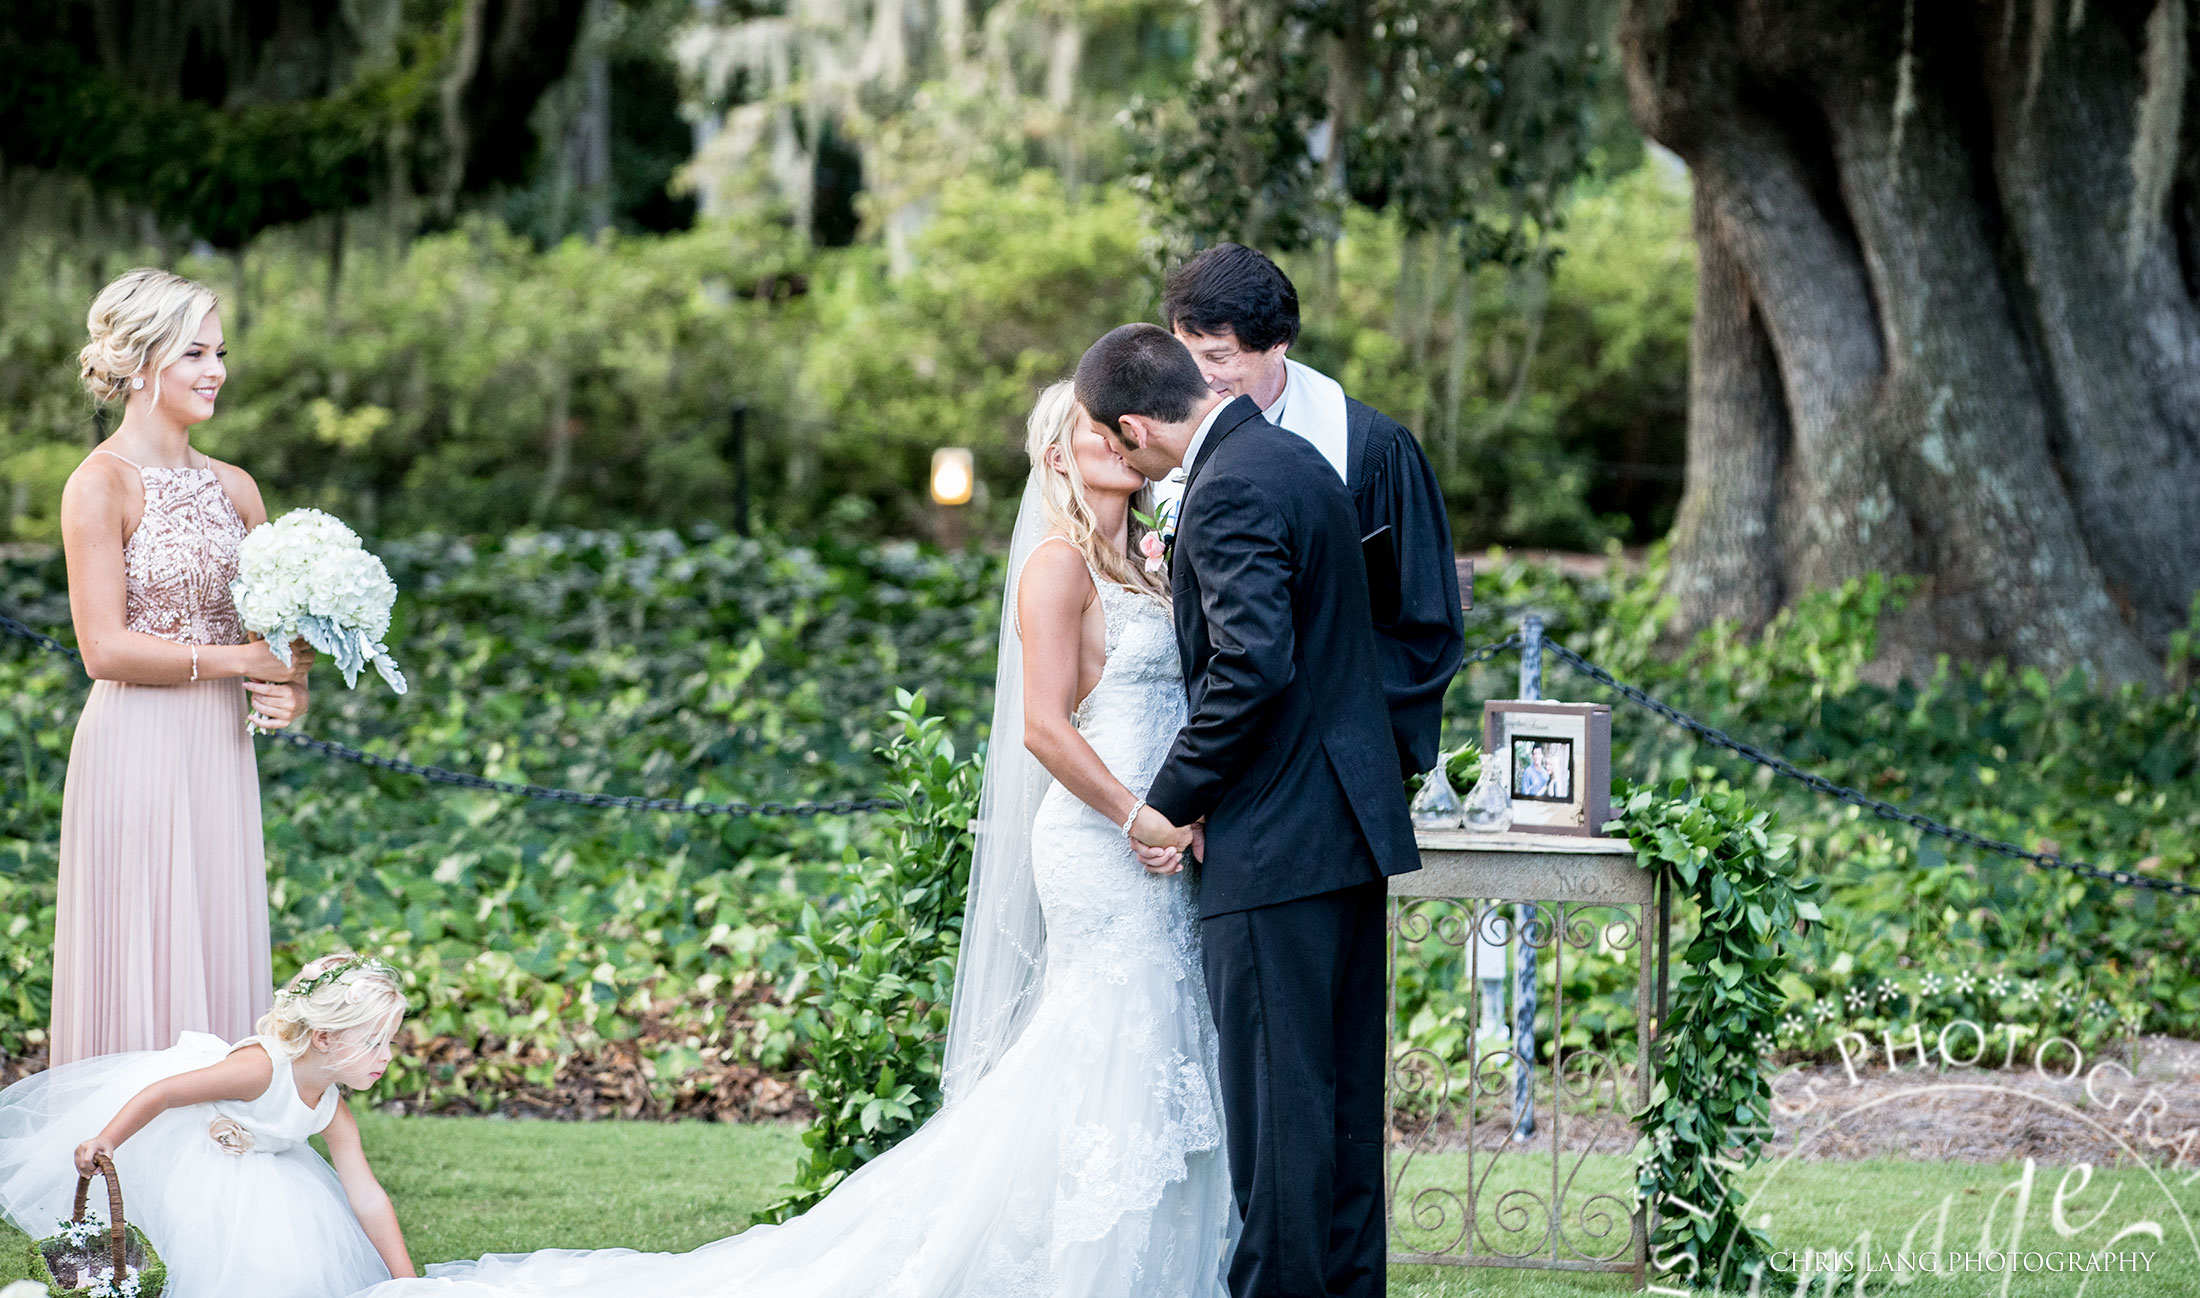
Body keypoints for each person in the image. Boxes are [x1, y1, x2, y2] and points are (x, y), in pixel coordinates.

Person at [347, 382, 1235, 1298]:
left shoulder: (1155, 562)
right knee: (1103, 1040)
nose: (1124, 439)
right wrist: (1138, 815)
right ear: (1057, 452)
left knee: (1155, 1040)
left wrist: (1187, 803)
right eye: (1098, 429)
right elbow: (1045, 729)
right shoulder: (1056, 564)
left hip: (1165, 832)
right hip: (1103, 840)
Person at [1077, 324, 1420, 1298]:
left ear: (1135, 426)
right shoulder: (1295, 458)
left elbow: (1252, 663)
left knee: (1278, 1119)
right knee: (1341, 1113)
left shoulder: (1226, 486)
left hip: (1273, 842)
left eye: (1117, 441)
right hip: (1343, 833)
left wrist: (1169, 799)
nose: (1127, 462)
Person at [52, 268, 312, 1065]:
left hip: (219, 751)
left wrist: (291, 688)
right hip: (136, 744)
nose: (216, 370)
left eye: (219, 351)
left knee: (214, 928)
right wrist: (242, 660)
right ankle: (127, 1151)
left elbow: (277, 639)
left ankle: (218, 1139)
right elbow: (103, 648)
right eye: (193, 351)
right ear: (140, 362)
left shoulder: (237, 489)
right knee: (144, 936)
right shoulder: (100, 483)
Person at [1162, 243, 1466, 780]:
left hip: (1324, 764)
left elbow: (1423, 631)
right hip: (1193, 752)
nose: (1199, 379)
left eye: (1219, 357)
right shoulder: (1154, 442)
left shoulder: (1367, 455)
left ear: (1277, 344)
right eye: (1187, 354)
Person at [0, 954, 416, 1297]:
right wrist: (108, 1138)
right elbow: (163, 1094)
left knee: (284, 1266)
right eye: (371, 1043)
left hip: (264, 1173)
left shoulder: (331, 1109)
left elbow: (367, 1197)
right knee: (204, 1252)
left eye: (389, 1043)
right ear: (323, 1038)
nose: (385, 1057)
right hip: (193, 1154)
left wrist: (408, 1283)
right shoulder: (258, 1069)